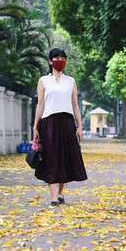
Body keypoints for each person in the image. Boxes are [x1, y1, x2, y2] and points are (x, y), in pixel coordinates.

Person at [33, 48, 87, 206]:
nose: (60, 60)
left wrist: (80, 126)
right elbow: (40, 104)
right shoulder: (44, 81)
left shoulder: (70, 81)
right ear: (50, 61)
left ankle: (61, 192)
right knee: (51, 157)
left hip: (67, 123)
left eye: (63, 58)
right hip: (48, 122)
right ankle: (53, 197)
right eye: (56, 58)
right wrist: (36, 127)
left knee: (65, 157)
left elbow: (75, 105)